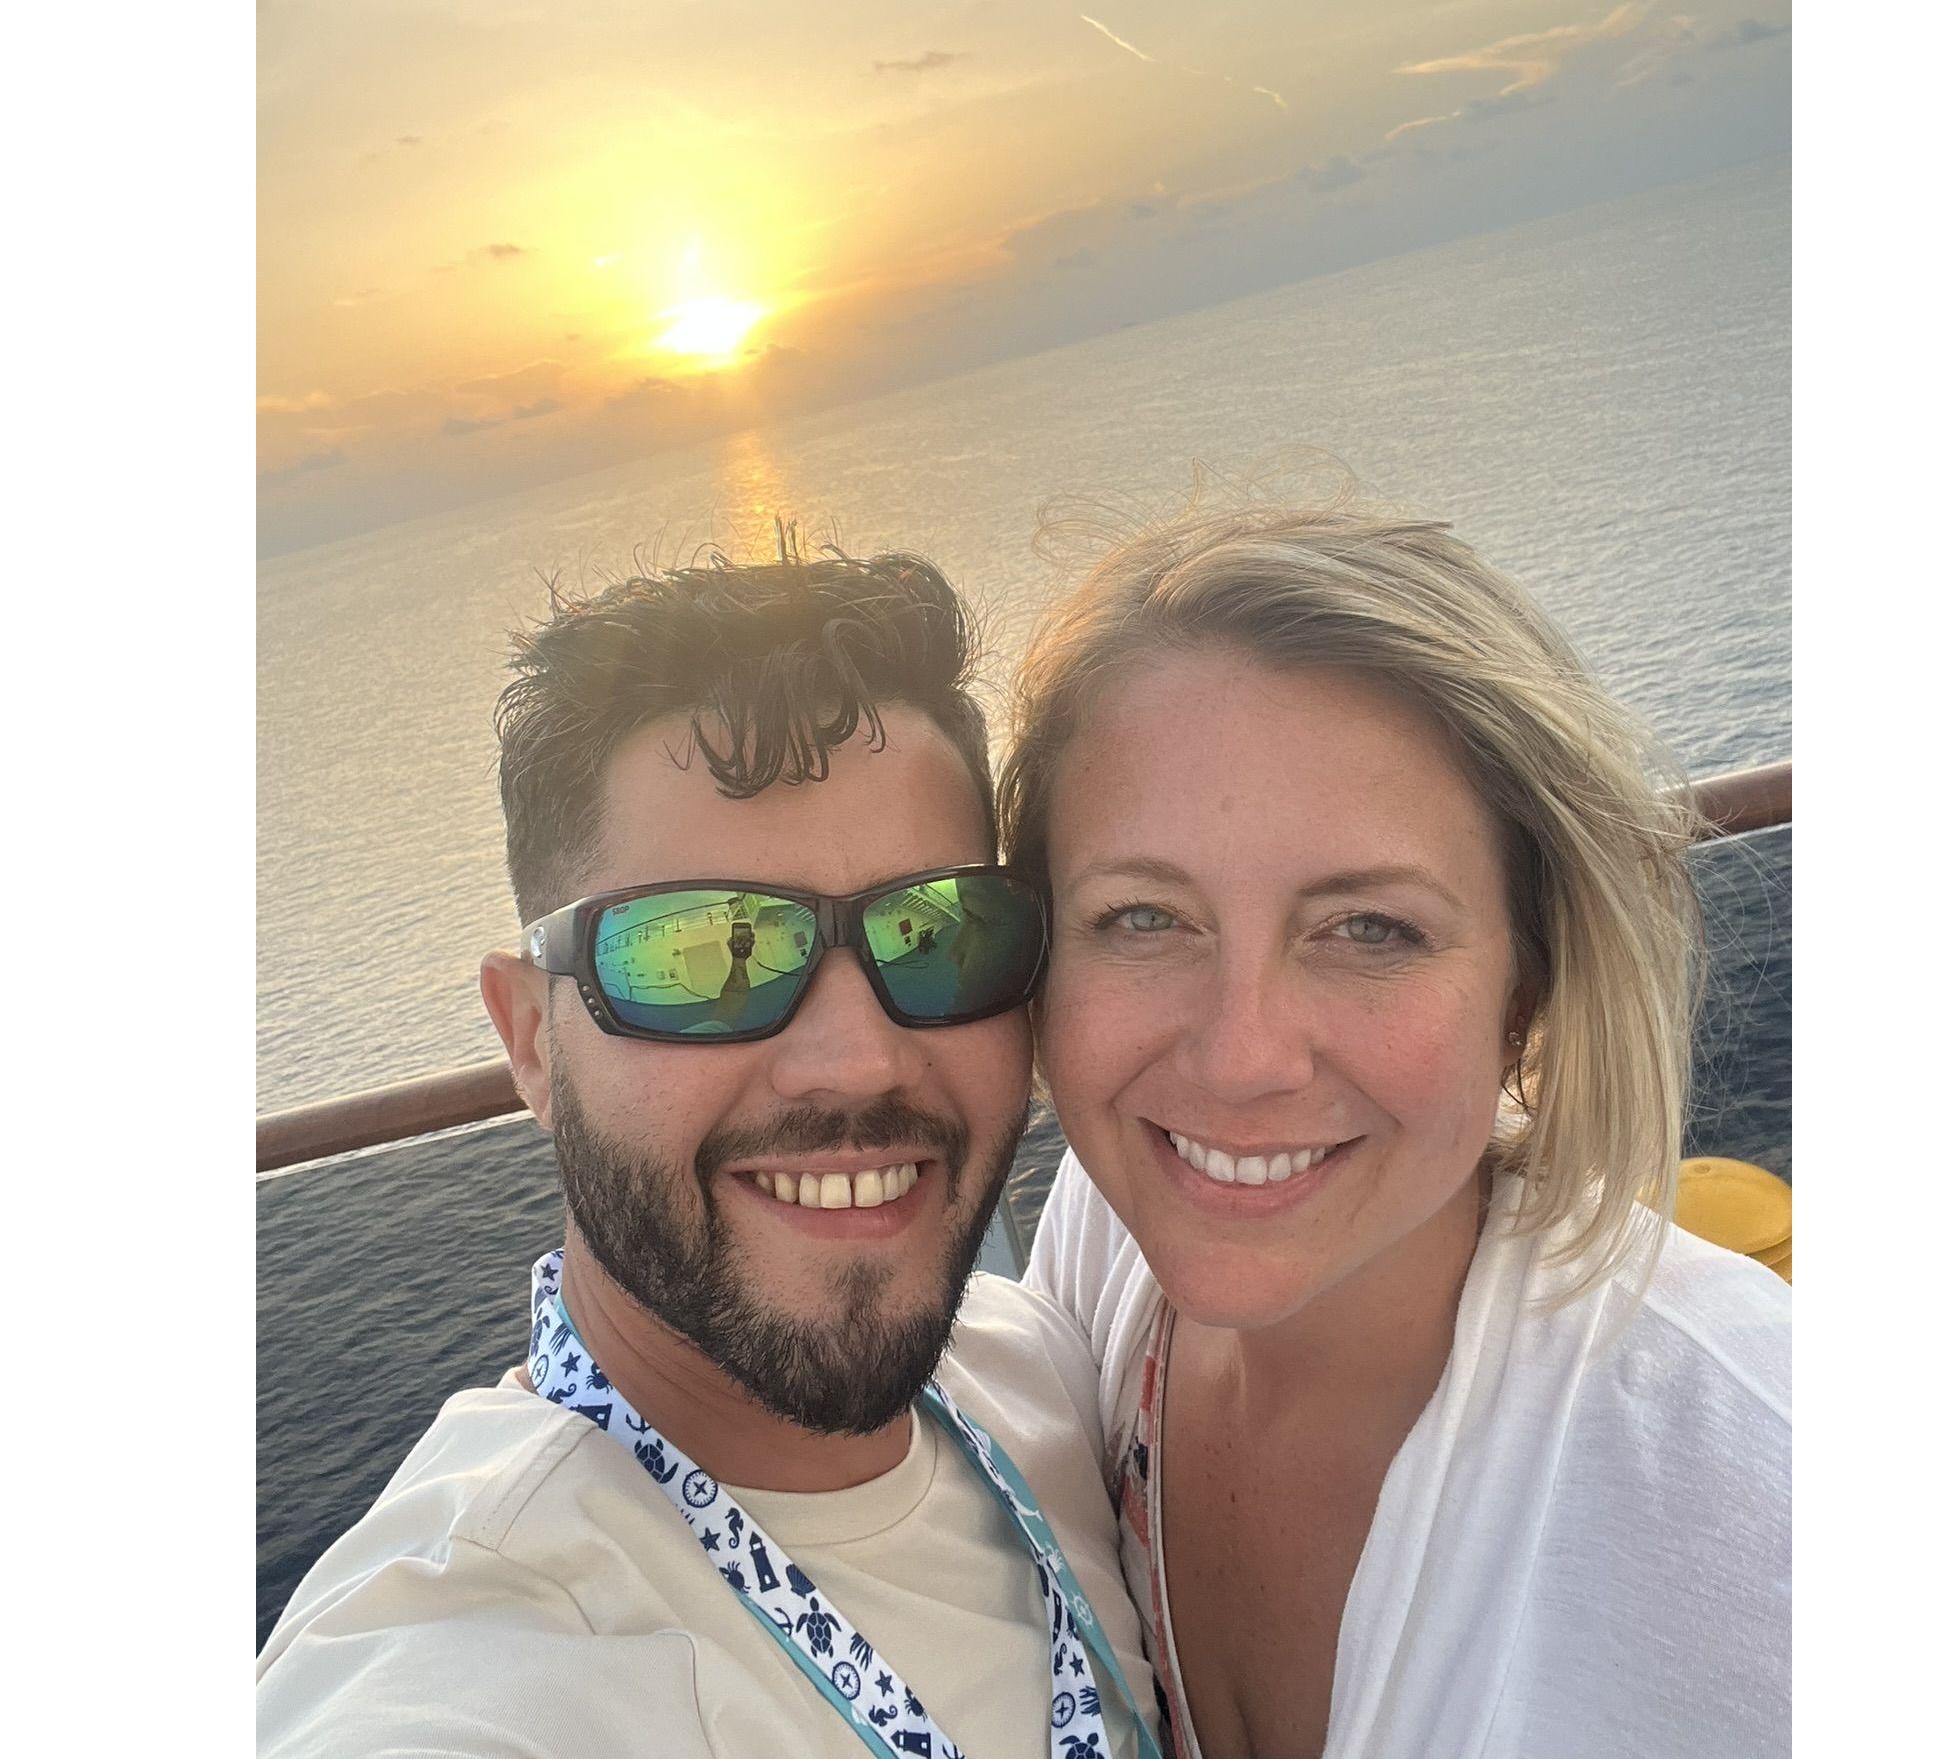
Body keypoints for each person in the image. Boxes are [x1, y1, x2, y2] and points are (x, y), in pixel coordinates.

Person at [258, 548, 1162, 1759]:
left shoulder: (1035, 1371)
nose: (857, 1060)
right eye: (700, 951)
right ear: (530, 1037)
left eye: (933, 932)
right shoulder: (471, 1661)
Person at [1001, 501, 1791, 1759]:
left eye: (1369, 928)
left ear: (1527, 983)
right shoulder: (1105, 1239)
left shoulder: (1756, 1487)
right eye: (1143, 917)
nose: (1240, 1057)